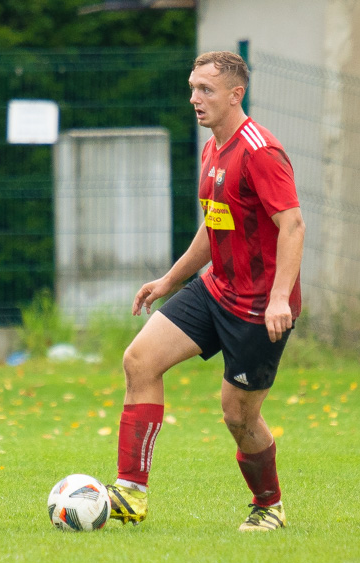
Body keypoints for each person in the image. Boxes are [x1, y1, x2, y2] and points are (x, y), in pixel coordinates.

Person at [105, 50, 305, 531]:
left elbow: (293, 224)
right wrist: (171, 280)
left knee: (238, 416)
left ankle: (268, 505)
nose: (195, 98)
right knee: (139, 360)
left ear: (236, 95)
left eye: (206, 90)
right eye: (192, 88)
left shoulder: (261, 152)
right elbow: (215, 225)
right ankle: (131, 491)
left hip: (259, 307)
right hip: (216, 289)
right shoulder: (213, 147)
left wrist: (279, 297)